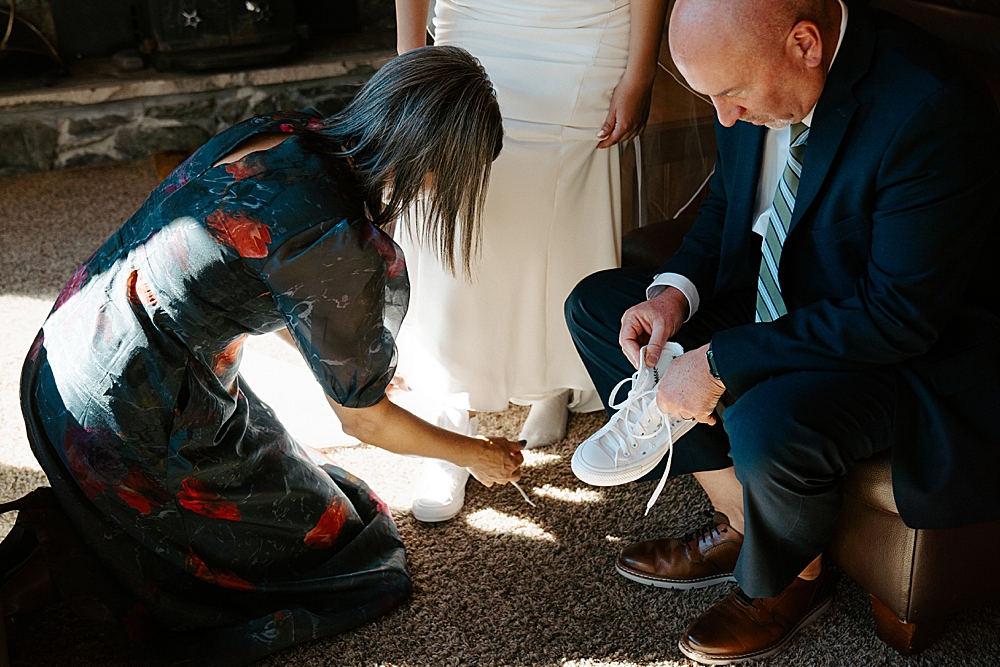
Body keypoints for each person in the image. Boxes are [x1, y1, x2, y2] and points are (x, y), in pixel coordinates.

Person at [3, 46, 523, 667]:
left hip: (61, 358)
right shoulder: (339, 243)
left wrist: (338, 355)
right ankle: (55, 575)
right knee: (347, 547)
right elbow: (363, 422)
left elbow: (260, 277)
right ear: (436, 172)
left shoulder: (283, 132)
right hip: (124, 422)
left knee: (325, 490)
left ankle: (70, 535)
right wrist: (480, 455)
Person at [565, 0, 1000, 662]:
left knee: (769, 420)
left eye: (730, 95)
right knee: (598, 306)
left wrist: (718, 359)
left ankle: (789, 582)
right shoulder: (749, 74)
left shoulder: (928, 109)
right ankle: (743, 519)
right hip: (792, 293)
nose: (724, 116)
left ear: (805, 44)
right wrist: (673, 296)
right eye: (709, 97)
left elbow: (895, 317)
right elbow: (727, 202)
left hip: (906, 345)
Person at [393, 0, 670, 522]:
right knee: (455, 211)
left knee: (560, 216)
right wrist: (411, 65)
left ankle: (551, 380)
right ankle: (451, 419)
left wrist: (640, 71)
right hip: (476, 23)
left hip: (585, 33)